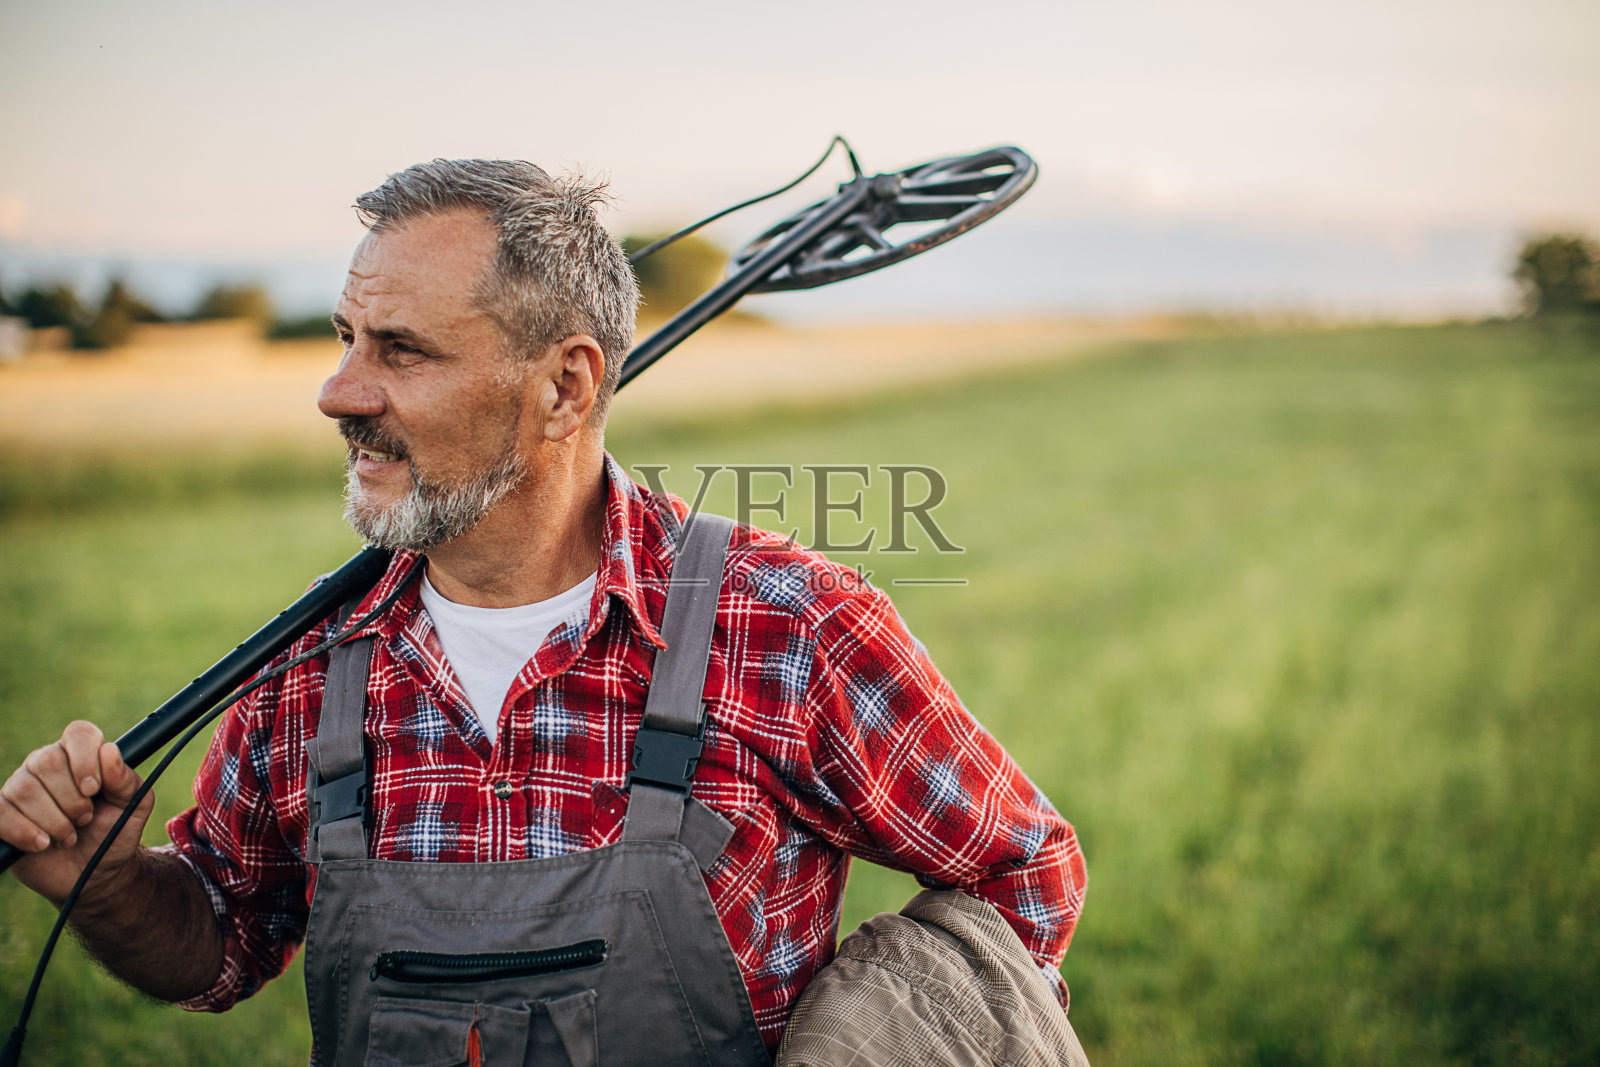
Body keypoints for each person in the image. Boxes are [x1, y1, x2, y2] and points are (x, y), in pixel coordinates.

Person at [0, 159, 1087, 1064]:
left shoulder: (786, 625)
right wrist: (107, 886)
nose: (336, 390)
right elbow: (223, 936)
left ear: (568, 386)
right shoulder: (309, 667)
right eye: (345, 336)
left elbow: (1020, 871)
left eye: (400, 348)